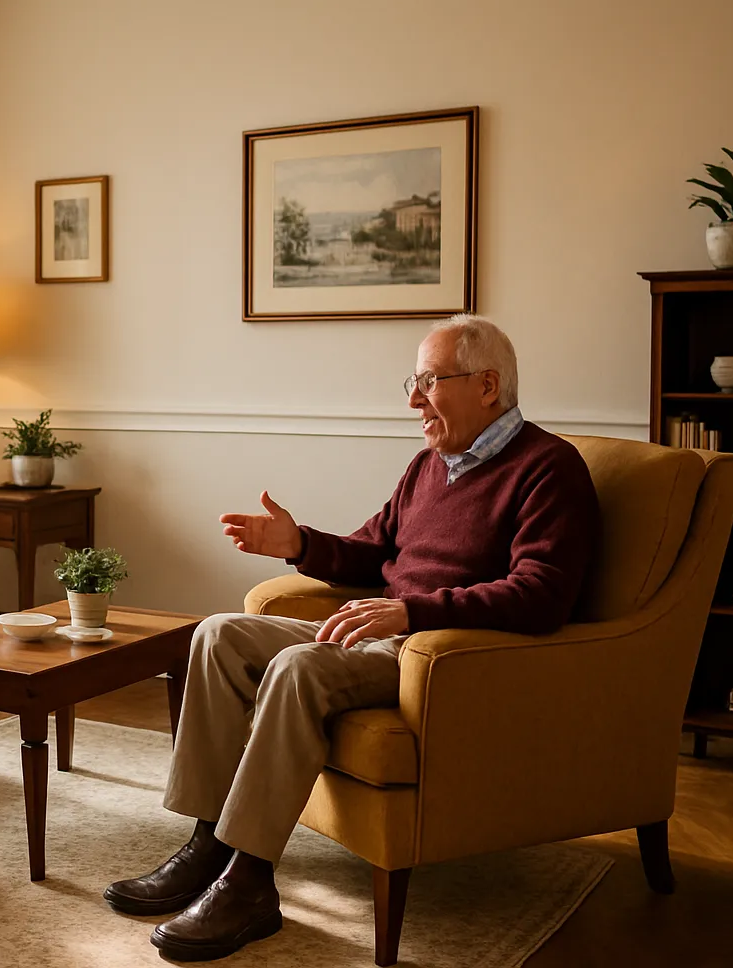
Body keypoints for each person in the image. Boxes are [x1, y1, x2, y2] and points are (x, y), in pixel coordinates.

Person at [105, 314, 601, 960]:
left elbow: (542, 595)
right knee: (217, 635)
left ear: (487, 386)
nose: (414, 400)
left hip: (435, 654)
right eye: (413, 382)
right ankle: (209, 844)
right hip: (380, 627)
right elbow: (374, 550)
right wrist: (298, 544)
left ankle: (249, 882)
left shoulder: (549, 469)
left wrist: (411, 613)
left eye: (430, 381)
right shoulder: (429, 466)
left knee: (298, 667)